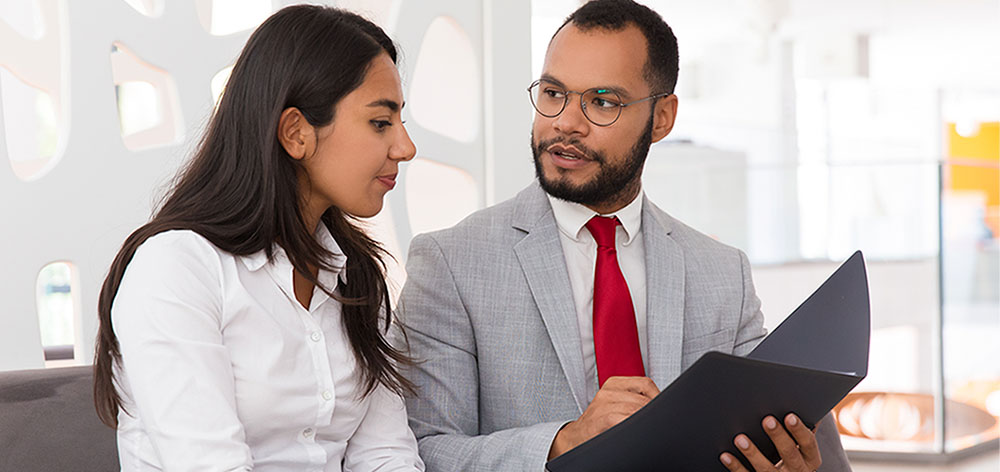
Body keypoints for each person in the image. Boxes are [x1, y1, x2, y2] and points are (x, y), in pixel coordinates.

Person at [396, 1, 851, 471]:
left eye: (602, 102)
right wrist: (563, 442)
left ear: (661, 119)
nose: (566, 122)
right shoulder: (450, 263)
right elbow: (422, 450)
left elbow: (784, 435)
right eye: (553, 93)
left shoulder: (723, 273)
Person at [92, 5, 424, 471]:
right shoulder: (176, 268)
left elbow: (385, 453)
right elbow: (210, 464)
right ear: (296, 132)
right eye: (380, 122)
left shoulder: (357, 277)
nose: (405, 148)